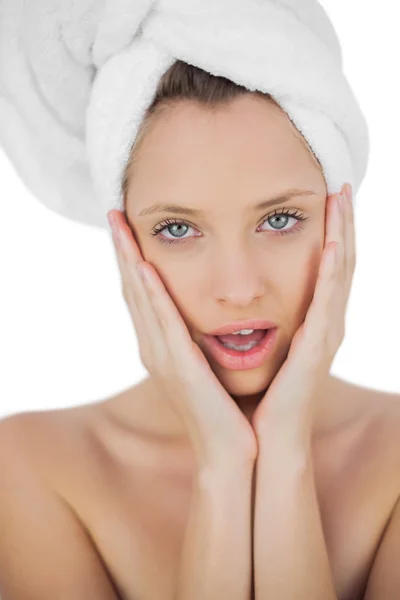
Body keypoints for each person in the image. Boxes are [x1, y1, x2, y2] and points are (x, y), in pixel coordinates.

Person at [1, 60, 400, 600]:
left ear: (339, 223)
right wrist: (223, 468)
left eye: (279, 219)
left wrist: (285, 454)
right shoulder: (32, 466)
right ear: (126, 245)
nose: (237, 289)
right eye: (178, 229)